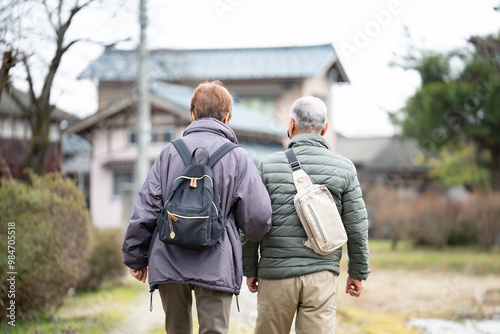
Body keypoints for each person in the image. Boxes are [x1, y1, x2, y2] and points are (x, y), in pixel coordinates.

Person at [122, 80, 272, 334]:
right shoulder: (237, 156)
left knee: (176, 330)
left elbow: (146, 207)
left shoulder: (169, 153)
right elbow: (258, 218)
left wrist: (135, 256)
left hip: (169, 254)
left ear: (192, 113)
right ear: (227, 116)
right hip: (217, 260)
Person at [242, 96, 370, 334]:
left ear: (290, 125)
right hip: (321, 275)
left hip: (276, 275)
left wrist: (250, 268)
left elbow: (252, 222)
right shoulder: (344, 168)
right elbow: (357, 225)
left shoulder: (267, 166)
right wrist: (357, 272)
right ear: (325, 129)